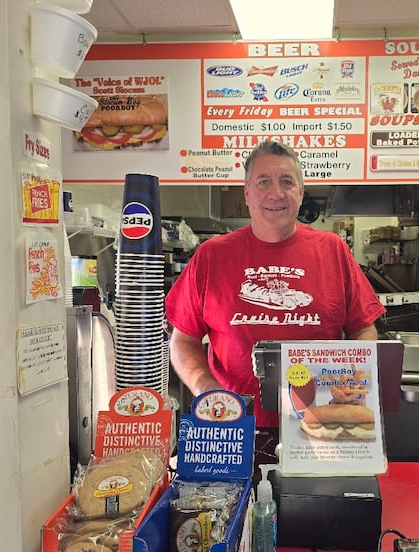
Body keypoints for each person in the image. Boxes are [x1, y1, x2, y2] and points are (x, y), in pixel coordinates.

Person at [165, 140, 385, 444]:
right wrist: (206, 388)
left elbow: (364, 329)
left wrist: (350, 379)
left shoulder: (332, 250)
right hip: (234, 427)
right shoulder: (211, 256)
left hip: (320, 424)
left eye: (286, 182)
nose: (276, 193)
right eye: (263, 181)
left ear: (300, 193)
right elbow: (183, 340)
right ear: (247, 193)